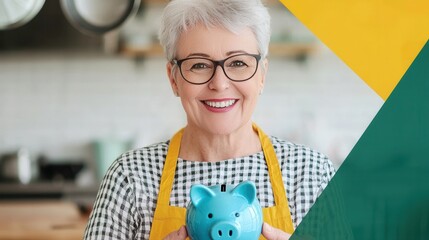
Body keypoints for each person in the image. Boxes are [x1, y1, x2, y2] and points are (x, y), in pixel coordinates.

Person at [84, 0, 336, 239]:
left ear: (261, 75)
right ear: (174, 78)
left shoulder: (311, 175)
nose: (219, 83)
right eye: (199, 65)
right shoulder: (131, 178)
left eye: (238, 62)